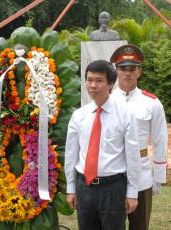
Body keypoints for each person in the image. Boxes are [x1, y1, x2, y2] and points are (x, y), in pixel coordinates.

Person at [65, 60, 141, 230]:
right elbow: (71, 155)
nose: (93, 85)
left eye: (99, 80)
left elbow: (133, 156)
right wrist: (71, 188)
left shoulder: (125, 115)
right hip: (84, 187)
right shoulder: (79, 116)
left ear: (110, 84)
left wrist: (132, 193)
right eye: (89, 80)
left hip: (113, 189)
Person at [110, 44, 168, 230]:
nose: (127, 73)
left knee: (140, 226)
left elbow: (160, 140)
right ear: (116, 71)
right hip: (112, 173)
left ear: (139, 72)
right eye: (122, 68)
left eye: (132, 69)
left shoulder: (151, 103)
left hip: (142, 173)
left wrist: (158, 177)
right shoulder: (106, 100)